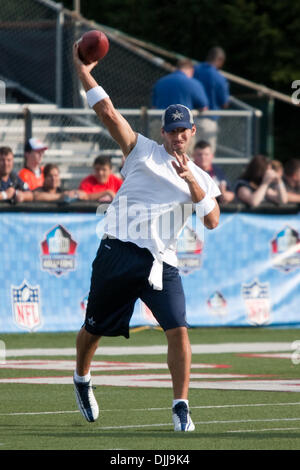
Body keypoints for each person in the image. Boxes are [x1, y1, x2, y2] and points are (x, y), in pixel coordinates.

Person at [72, 42, 220, 432]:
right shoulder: (142, 150)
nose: (176, 137)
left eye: (182, 131)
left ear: (191, 132)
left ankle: (181, 406)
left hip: (160, 263)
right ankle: (82, 378)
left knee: (179, 330)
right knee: (92, 330)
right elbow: (106, 112)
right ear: (163, 131)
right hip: (119, 251)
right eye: (170, 131)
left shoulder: (200, 177)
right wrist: (83, 69)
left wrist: (193, 185)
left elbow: (213, 221)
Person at [193, 47, 230, 153]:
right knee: (206, 157)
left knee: (191, 156)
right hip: (208, 120)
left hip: (190, 118)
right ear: (220, 59)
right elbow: (224, 103)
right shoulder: (219, 77)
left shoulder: (194, 70)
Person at [192, 140, 235, 204]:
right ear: (193, 156)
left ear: (212, 156)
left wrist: (224, 195)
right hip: (193, 209)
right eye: (199, 155)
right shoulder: (188, 170)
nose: (203, 157)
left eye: (206, 154)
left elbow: (231, 194)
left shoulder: (217, 171)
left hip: (217, 209)